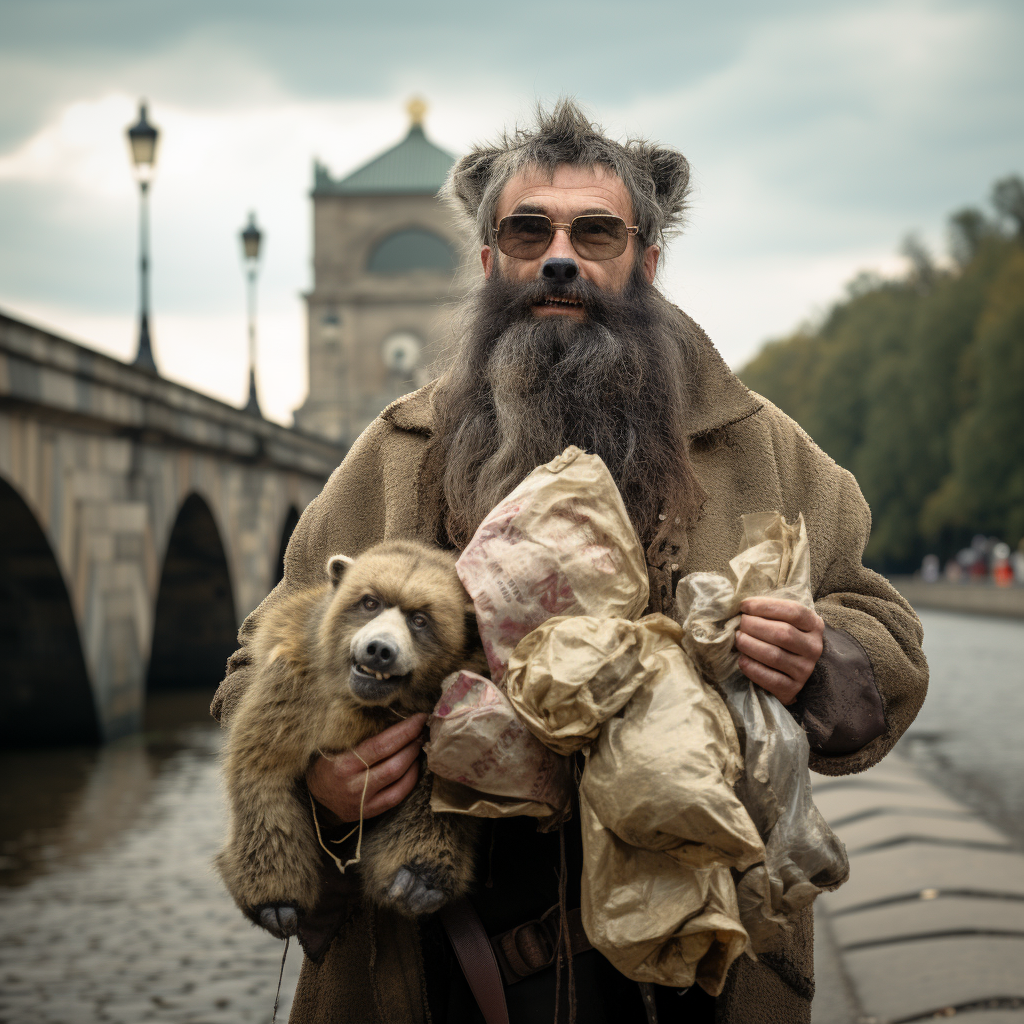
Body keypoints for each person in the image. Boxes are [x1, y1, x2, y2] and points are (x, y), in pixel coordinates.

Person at [212, 101, 927, 1024]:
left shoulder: (763, 451)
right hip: (432, 971)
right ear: (487, 260)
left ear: (647, 261)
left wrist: (821, 654)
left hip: (698, 980)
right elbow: (251, 672)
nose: (560, 257)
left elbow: (889, 633)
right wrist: (318, 771)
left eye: (595, 232)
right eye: (526, 231)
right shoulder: (395, 453)